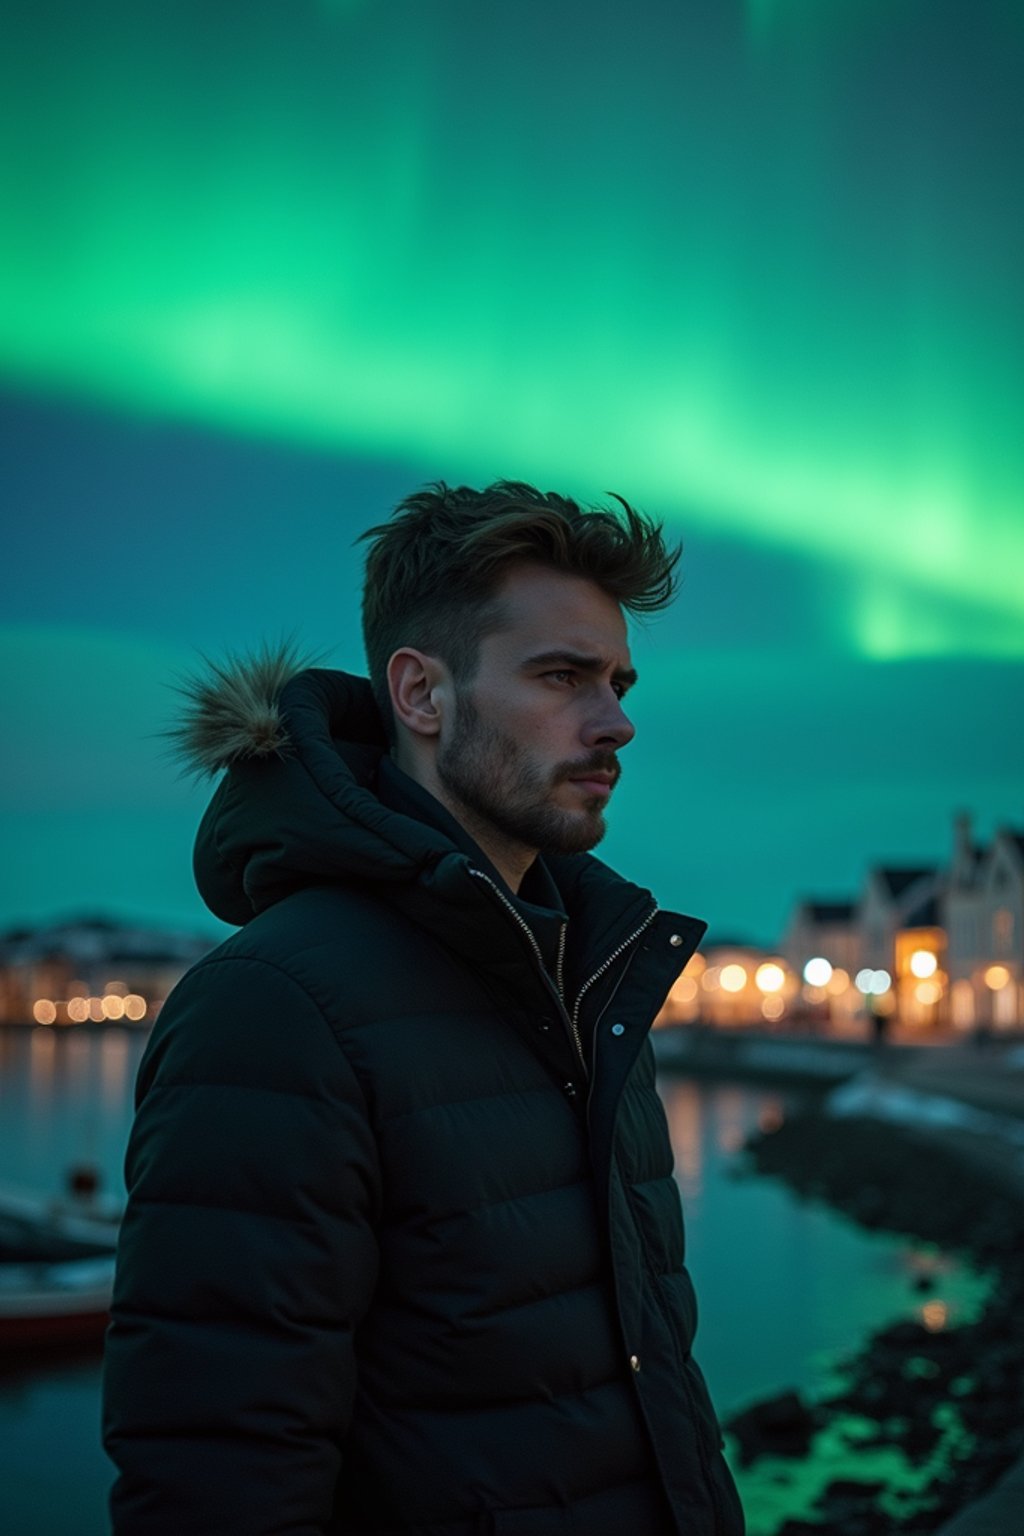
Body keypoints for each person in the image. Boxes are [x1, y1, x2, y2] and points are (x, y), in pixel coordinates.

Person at [102, 481, 745, 1536]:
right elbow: (220, 1466)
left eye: (619, 682)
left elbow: (647, 1374)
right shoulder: (276, 1008)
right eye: (561, 677)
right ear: (421, 694)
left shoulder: (590, 976)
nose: (616, 722)